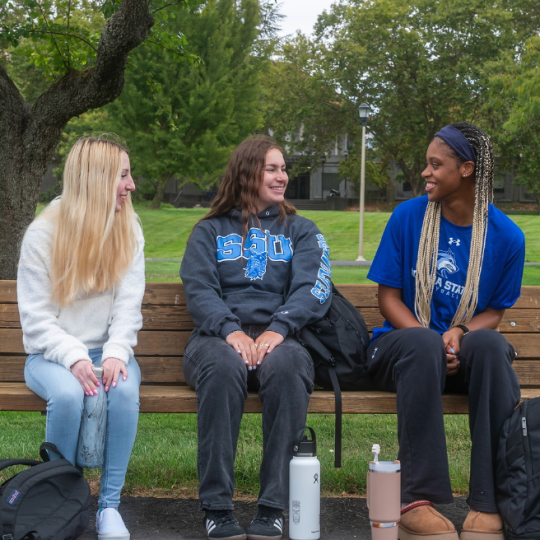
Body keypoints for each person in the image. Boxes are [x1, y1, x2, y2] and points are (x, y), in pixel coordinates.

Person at [366, 122, 525, 540]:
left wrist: (459, 332)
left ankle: (489, 502)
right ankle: (415, 501)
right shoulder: (408, 217)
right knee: (421, 344)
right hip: (402, 351)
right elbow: (389, 300)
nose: (425, 173)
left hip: (461, 349)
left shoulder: (507, 237)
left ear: (467, 169)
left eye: (436, 165)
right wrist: (434, 341)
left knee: (490, 345)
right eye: (426, 164)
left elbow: (493, 311)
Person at [180, 135, 332, 540]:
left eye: (283, 168)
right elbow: (199, 290)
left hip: (279, 339)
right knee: (221, 366)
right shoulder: (209, 231)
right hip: (215, 339)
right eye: (272, 168)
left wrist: (278, 329)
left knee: (288, 368)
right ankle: (216, 507)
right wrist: (230, 330)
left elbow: (313, 287)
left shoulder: (302, 231)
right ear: (248, 172)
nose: (282, 176)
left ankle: (273, 508)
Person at [18, 137, 145, 540]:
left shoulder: (128, 228)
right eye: (123, 176)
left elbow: (128, 308)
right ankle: (61, 504)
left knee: (123, 392)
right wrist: (74, 358)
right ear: (96, 180)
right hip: (51, 356)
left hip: (107, 351)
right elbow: (37, 322)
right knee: (70, 395)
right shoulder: (43, 234)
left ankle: (109, 507)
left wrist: (115, 354)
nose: (132, 185)